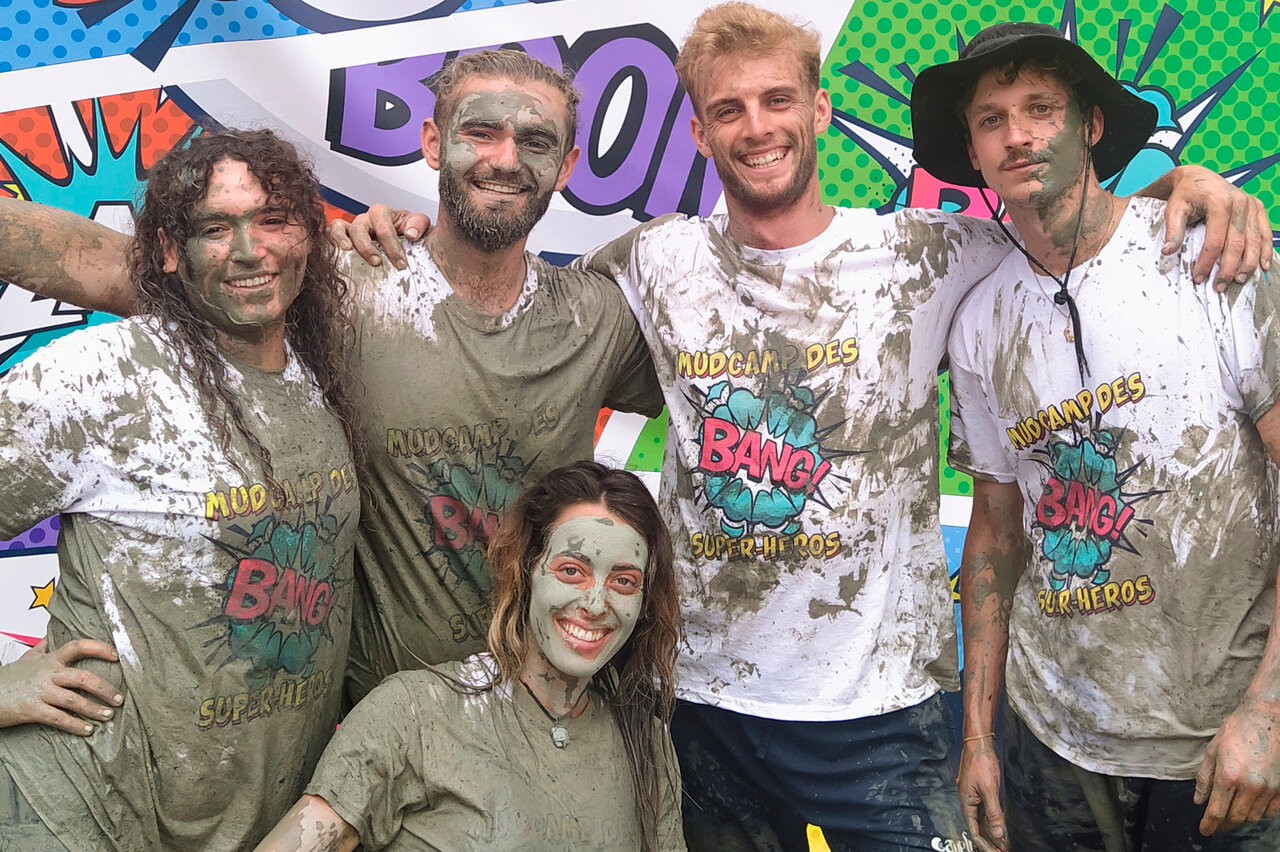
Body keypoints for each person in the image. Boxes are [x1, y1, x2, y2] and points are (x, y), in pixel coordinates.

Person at [339, 5, 1273, 850]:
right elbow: (511, 296)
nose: (757, 127)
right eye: (729, 109)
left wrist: (1188, 188)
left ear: (821, 111)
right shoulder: (655, 261)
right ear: (699, 132)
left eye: (778, 100)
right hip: (703, 703)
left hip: (887, 713)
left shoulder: (929, 253)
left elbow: (1069, 223)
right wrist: (395, 237)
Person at [0, 50, 663, 710]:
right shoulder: (340, 286)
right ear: (434, 143)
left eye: (536, 142)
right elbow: (116, 266)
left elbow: (711, 375)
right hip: (386, 724)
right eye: (481, 132)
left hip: (547, 707)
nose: (506, 159)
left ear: (566, 165)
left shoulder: (596, 316)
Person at [912, 21, 1280, 852]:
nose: (1018, 135)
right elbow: (996, 532)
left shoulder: (1212, 261)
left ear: (1093, 125)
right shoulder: (978, 320)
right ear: (972, 152)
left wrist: (1269, 709)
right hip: (1053, 744)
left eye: (1041, 107)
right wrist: (979, 736)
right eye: (992, 119)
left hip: (1223, 746)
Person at [0, 130, 362, 849]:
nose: (250, 250)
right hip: (77, 810)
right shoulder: (99, 378)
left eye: (273, 219)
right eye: (215, 228)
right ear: (169, 250)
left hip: (250, 823)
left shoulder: (326, 368)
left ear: (309, 237)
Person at [253, 461, 684, 851]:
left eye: (624, 581)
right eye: (572, 571)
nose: (595, 604)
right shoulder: (414, 713)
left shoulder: (647, 743)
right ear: (525, 570)